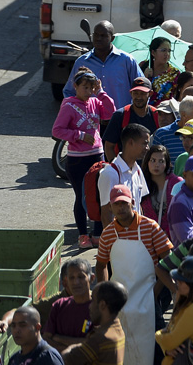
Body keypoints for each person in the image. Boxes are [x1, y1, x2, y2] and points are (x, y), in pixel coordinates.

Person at [95, 185, 174, 363]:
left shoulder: (150, 227)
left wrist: (155, 292)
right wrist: (104, 293)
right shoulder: (108, 234)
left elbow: (167, 260)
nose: (121, 208)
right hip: (120, 300)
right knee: (124, 345)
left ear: (132, 203)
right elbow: (101, 266)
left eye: (124, 203)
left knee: (158, 346)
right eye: (116, 204)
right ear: (110, 207)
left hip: (150, 296)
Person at [53, 67, 116, 247]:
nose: (88, 92)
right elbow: (57, 130)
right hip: (77, 159)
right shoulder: (68, 104)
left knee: (99, 194)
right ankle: (82, 235)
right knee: (81, 196)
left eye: (91, 88)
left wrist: (101, 92)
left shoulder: (95, 102)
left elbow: (110, 112)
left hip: (97, 155)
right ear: (75, 86)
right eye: (85, 88)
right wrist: (79, 135)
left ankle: (97, 232)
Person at [63, 21, 144, 109]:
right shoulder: (82, 62)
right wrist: (78, 111)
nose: (98, 38)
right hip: (91, 120)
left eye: (103, 36)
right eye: (96, 35)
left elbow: (142, 88)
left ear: (112, 38)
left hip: (121, 119)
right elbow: (69, 92)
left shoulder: (127, 60)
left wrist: (133, 113)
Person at [155, 256, 193, 365]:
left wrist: (158, 336)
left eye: (182, 281)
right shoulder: (186, 304)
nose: (177, 282)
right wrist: (166, 348)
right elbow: (169, 339)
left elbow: (170, 340)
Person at [60, 281, 128, 365]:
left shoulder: (100, 338)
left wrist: (70, 347)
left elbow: (65, 359)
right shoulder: (118, 328)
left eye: (93, 300)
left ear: (102, 305)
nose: (89, 306)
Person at [101, 77, 160, 161]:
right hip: (126, 168)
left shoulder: (157, 115)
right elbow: (109, 146)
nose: (138, 97)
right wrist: (117, 169)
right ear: (131, 93)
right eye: (135, 93)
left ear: (150, 94)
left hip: (152, 169)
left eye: (142, 93)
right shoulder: (120, 115)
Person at [44, 259, 94, 354]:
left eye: (81, 277)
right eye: (72, 278)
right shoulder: (59, 305)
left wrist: (59, 338)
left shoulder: (99, 309)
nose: (76, 282)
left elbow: (94, 345)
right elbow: (46, 339)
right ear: (66, 281)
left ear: (91, 278)